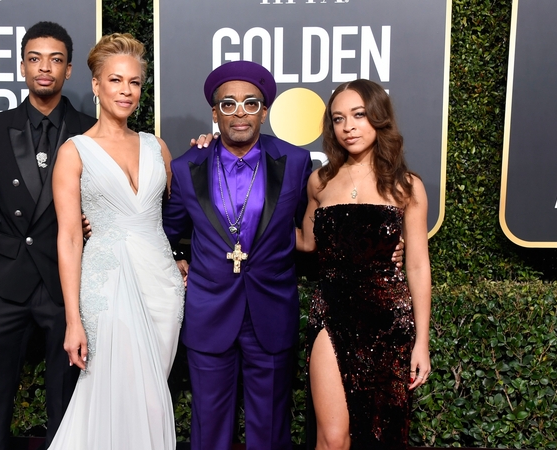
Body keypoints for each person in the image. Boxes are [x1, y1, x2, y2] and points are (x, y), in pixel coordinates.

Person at [0, 21, 97, 450]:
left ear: (69, 69)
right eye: (35, 58)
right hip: (6, 285)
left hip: (64, 288)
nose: (44, 68)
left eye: (55, 60)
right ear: (22, 66)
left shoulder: (91, 130)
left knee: (66, 406)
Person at [162, 60, 312, 450]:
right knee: (209, 428)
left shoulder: (295, 162)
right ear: (214, 113)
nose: (239, 113)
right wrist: (175, 259)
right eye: (228, 104)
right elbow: (165, 230)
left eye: (250, 103)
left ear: (264, 111)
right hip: (209, 313)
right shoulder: (187, 166)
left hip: (272, 311)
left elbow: (314, 231)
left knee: (271, 428)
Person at [48, 33, 185, 450]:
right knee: (118, 392)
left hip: (161, 285)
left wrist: (180, 258)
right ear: (95, 84)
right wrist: (73, 319)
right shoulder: (75, 152)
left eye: (135, 82)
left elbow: (179, 215)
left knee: (150, 401)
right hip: (106, 284)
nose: (126, 91)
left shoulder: (156, 147)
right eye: (116, 81)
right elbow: (70, 238)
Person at [297, 79, 432, 450]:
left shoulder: (406, 186)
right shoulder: (320, 182)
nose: (348, 127)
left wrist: (422, 342)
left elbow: (418, 266)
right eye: (338, 119)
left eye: (358, 115)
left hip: (387, 320)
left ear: (378, 118)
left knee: (380, 435)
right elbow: (307, 241)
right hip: (330, 312)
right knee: (333, 436)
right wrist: (250, 219)